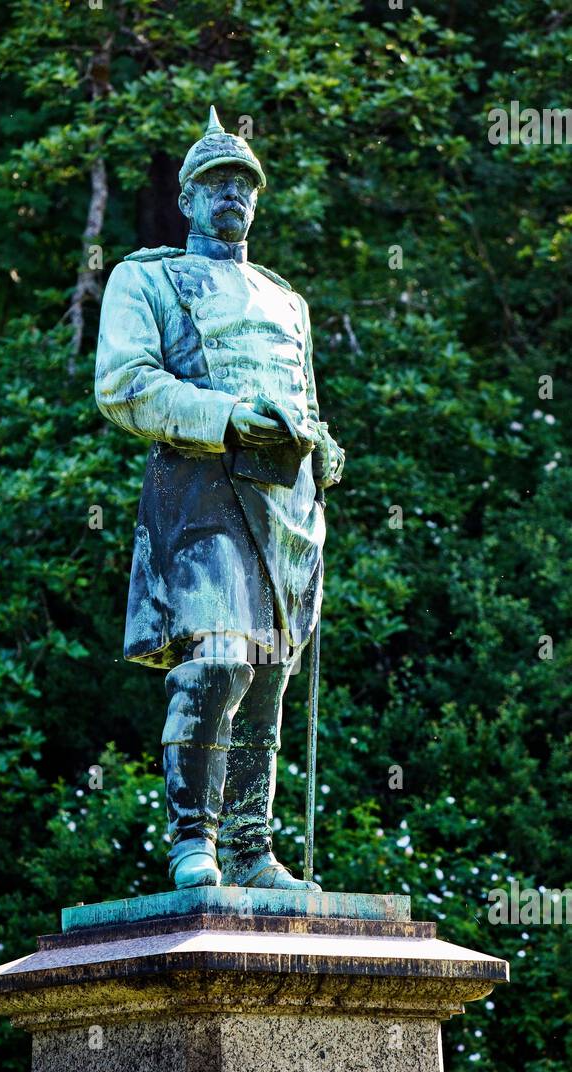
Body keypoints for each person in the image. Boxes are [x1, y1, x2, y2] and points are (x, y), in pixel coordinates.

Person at [95, 107, 344, 890]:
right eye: (216, 182)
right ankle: (190, 842)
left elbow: (300, 396)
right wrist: (227, 417)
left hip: (290, 507)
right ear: (189, 199)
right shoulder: (147, 276)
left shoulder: (286, 298)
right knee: (217, 660)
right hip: (202, 486)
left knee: (267, 673)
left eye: (244, 183)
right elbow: (126, 385)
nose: (232, 194)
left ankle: (249, 847)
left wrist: (323, 446)